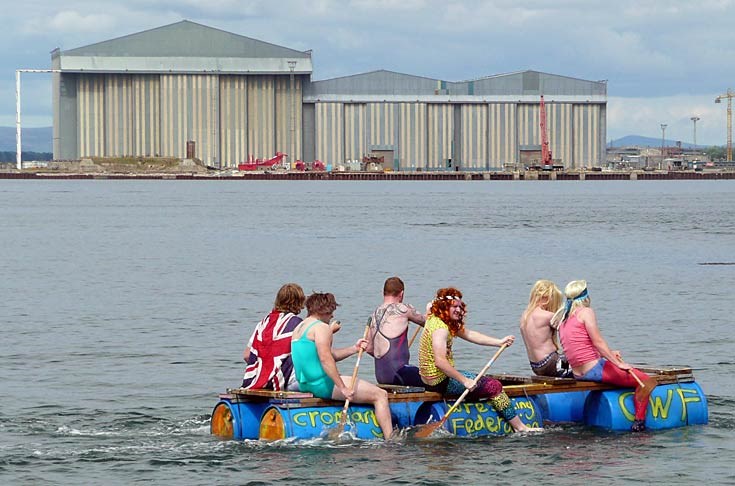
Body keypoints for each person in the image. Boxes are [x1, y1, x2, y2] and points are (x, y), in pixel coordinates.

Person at [418, 287, 540, 433]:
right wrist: (464, 381)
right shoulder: (441, 329)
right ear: (444, 307)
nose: (458, 310)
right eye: (454, 307)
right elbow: (440, 362)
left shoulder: (434, 318)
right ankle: (520, 427)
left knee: (477, 381)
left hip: (430, 379)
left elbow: (470, 334)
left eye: (460, 306)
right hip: (440, 381)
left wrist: (499, 342)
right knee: (494, 386)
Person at [551, 280, 657, 432]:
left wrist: (609, 353)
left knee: (621, 370)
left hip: (578, 372)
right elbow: (598, 341)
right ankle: (639, 423)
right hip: (593, 369)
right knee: (645, 381)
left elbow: (581, 345)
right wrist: (618, 364)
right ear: (585, 296)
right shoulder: (586, 312)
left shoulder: (564, 318)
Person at [291, 292, 394, 440]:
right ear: (325, 310)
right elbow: (326, 359)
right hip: (322, 384)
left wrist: (354, 348)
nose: (332, 316)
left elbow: (327, 355)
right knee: (380, 395)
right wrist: (342, 388)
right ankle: (391, 440)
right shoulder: (321, 328)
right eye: (331, 312)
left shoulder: (299, 328)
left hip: (305, 384)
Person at [241, 283, 306, 391]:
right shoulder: (298, 324)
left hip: (257, 382)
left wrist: (265, 370)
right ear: (299, 302)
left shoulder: (263, 323)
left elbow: (247, 356)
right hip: (284, 381)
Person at [365, 277, 426, 386]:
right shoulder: (404, 309)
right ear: (401, 293)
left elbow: (368, 348)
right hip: (399, 374)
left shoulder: (374, 314)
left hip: (381, 376)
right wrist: (432, 312)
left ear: (383, 293)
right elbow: (426, 322)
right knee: (434, 378)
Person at [519, 280, 573, 378]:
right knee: (586, 363)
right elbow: (571, 332)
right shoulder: (548, 316)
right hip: (551, 363)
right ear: (546, 299)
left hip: (536, 366)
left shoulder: (524, 317)